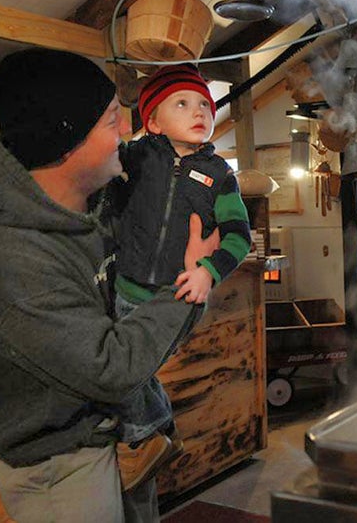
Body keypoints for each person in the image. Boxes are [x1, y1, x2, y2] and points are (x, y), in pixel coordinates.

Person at [0, 48, 215, 523]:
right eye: (112, 119)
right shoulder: (9, 260)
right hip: (58, 463)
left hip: (119, 431)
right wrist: (193, 282)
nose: (126, 130)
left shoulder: (98, 202)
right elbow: (110, 366)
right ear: (67, 141)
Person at [109, 63, 251, 488]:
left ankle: (143, 439)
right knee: (129, 369)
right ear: (153, 121)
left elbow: (239, 237)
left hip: (179, 295)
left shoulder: (221, 176)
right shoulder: (135, 157)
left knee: (128, 369)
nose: (200, 112)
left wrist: (209, 272)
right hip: (126, 287)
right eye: (183, 104)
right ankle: (158, 432)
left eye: (205, 105)